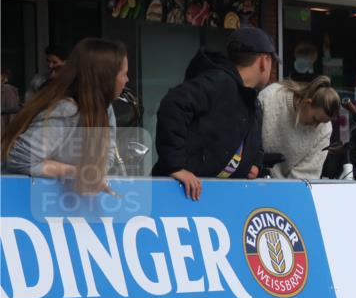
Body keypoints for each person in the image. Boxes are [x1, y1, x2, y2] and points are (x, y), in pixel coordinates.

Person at [152, 27, 273, 199]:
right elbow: (173, 105)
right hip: (180, 195)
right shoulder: (218, 82)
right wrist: (175, 167)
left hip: (213, 198)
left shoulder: (251, 99)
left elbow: (252, 143)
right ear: (263, 61)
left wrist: (255, 165)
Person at [2, 38, 128, 195]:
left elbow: (106, 156)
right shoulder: (67, 109)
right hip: (19, 200)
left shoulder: (105, 107)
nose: (126, 80)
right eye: (124, 74)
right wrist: (74, 172)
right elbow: (19, 160)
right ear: (106, 77)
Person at [259, 75, 340, 179]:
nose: (316, 126)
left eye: (322, 122)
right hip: (252, 180)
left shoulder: (324, 129)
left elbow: (307, 174)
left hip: (289, 189)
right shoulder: (270, 98)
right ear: (307, 103)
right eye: (315, 119)